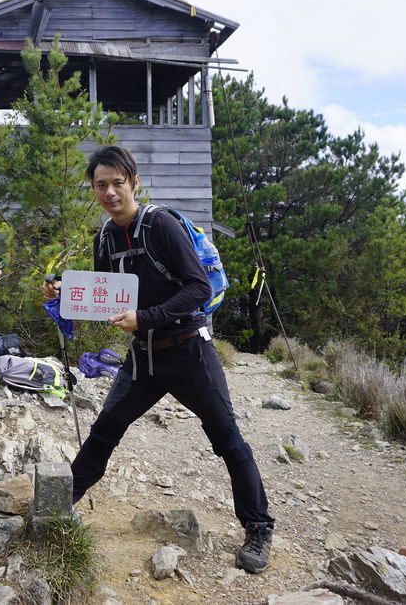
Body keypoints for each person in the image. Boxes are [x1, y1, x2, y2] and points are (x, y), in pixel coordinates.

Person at [43, 145, 275, 573]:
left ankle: (258, 527)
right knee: (104, 430)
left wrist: (146, 317)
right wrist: (64, 296)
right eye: (101, 185)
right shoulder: (106, 237)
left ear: (133, 181)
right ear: (93, 189)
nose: (110, 192)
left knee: (228, 441)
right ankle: (55, 509)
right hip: (144, 358)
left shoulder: (162, 225)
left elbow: (198, 288)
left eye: (117, 182)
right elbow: (105, 296)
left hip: (189, 350)